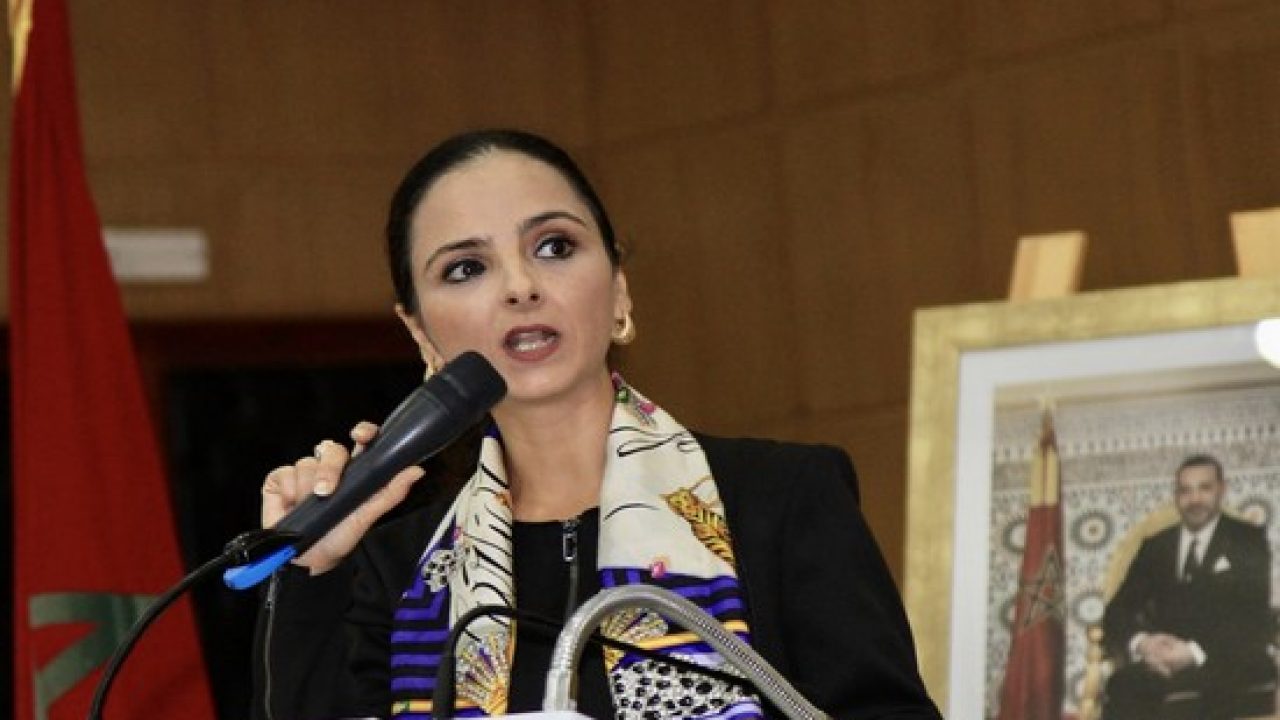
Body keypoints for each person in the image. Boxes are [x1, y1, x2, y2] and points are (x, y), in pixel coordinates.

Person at [250, 129, 941, 720]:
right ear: (420, 331)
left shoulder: (783, 498)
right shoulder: (394, 568)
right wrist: (314, 568)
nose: (521, 286)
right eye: (466, 268)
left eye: (554, 246)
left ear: (618, 286)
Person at [1102, 454, 1275, 720]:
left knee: (1207, 692)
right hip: (1161, 666)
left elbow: (1251, 616)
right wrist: (1144, 644)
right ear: (1176, 496)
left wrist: (1193, 652)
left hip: (1227, 660)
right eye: (1185, 491)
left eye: (1204, 488)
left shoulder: (1247, 540)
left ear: (1221, 490)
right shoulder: (1156, 547)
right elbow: (1117, 611)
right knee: (1123, 685)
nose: (1194, 500)